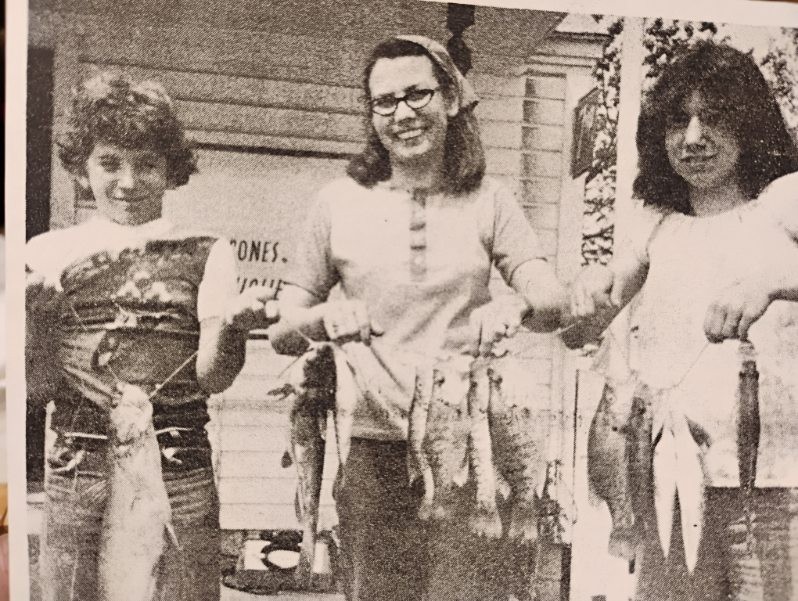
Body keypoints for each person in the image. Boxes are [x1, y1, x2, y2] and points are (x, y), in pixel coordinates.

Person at [269, 35, 570, 601]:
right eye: (384, 102)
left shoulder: (490, 199)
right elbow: (283, 330)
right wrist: (323, 317)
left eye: (417, 94)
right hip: (370, 448)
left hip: (466, 445)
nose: (402, 114)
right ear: (370, 114)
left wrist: (516, 304)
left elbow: (552, 300)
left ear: (450, 99)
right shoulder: (337, 201)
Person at [25, 72, 278, 601]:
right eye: (109, 163)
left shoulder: (207, 250)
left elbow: (211, 376)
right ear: (82, 167)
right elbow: (38, 388)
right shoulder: (45, 253)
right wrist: (37, 323)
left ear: (170, 169)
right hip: (77, 472)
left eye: (146, 164)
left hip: (180, 472)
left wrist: (234, 328)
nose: (128, 181)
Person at [570, 41, 798, 600]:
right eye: (678, 121)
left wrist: (768, 283)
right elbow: (583, 323)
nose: (693, 137)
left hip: (776, 486)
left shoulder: (785, 200)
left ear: (750, 124)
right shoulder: (653, 224)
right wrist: (573, 297)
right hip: (669, 483)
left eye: (713, 117)